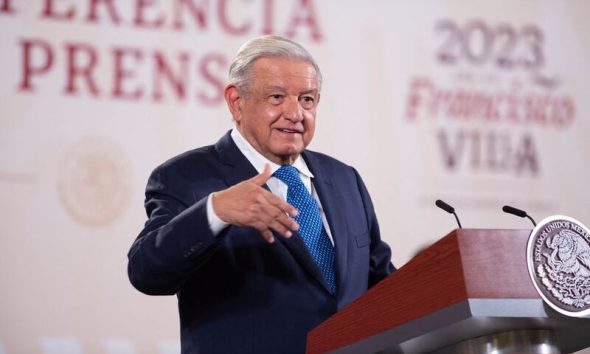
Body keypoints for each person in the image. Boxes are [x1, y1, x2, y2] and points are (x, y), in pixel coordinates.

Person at [127, 35, 395, 354]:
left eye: (307, 99)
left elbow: (383, 285)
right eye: (277, 97)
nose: (295, 113)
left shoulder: (345, 179)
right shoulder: (187, 177)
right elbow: (146, 273)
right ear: (236, 102)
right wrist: (215, 212)